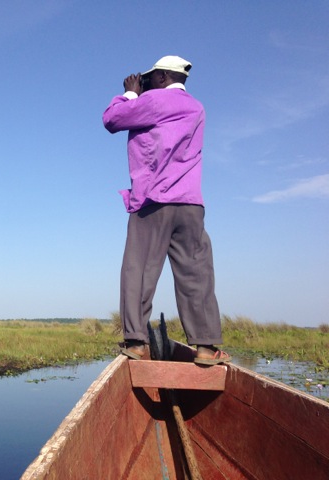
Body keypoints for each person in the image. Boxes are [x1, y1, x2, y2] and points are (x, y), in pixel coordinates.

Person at [102, 55, 230, 365]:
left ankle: (135, 341)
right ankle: (205, 346)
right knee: (196, 273)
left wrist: (132, 92)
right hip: (190, 204)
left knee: (140, 269)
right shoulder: (197, 108)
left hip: (153, 202)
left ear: (161, 77)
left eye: (148, 79)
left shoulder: (155, 100)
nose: (144, 85)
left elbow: (112, 119)